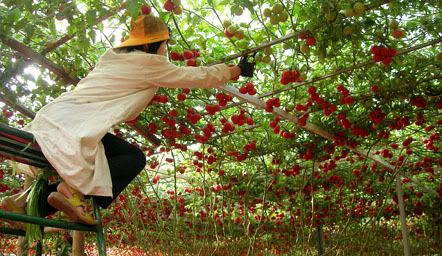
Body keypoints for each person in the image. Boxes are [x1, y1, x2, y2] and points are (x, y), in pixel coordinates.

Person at [0, 14, 255, 225]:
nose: (164, 51)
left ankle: (24, 201)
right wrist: (235, 70)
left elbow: (123, 104)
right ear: (148, 46)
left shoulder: (111, 58)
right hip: (73, 125)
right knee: (134, 158)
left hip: (55, 117)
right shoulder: (148, 63)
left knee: (112, 155)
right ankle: (73, 192)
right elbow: (194, 76)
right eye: (162, 45)